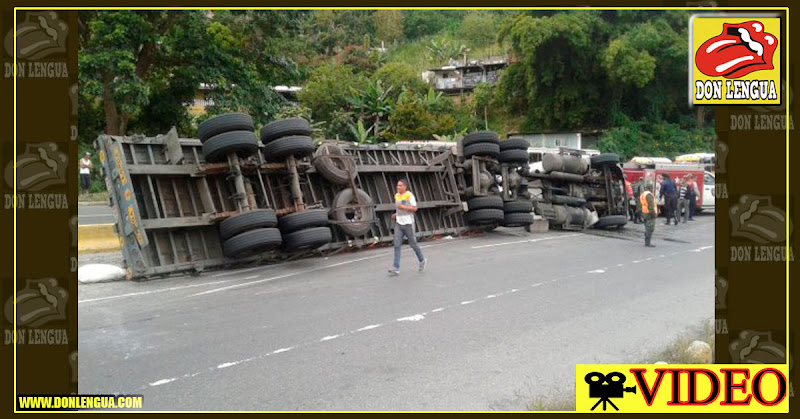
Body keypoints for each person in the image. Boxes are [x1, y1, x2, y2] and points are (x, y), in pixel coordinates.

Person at [388, 179, 427, 276]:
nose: (398, 187)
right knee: (397, 245)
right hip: (399, 223)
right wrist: (396, 214)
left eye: (400, 185)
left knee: (413, 244)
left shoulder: (409, 195)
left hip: (408, 224)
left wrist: (404, 208)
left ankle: (422, 260)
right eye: (397, 185)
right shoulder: (396, 195)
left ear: (405, 187)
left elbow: (414, 208)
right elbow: (399, 207)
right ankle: (396, 268)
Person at [640, 180, 656, 247]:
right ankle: (648, 243)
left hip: (644, 213)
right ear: (651, 188)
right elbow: (651, 205)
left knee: (647, 228)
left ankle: (647, 241)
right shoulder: (649, 195)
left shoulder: (643, 194)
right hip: (649, 214)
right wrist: (653, 213)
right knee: (650, 228)